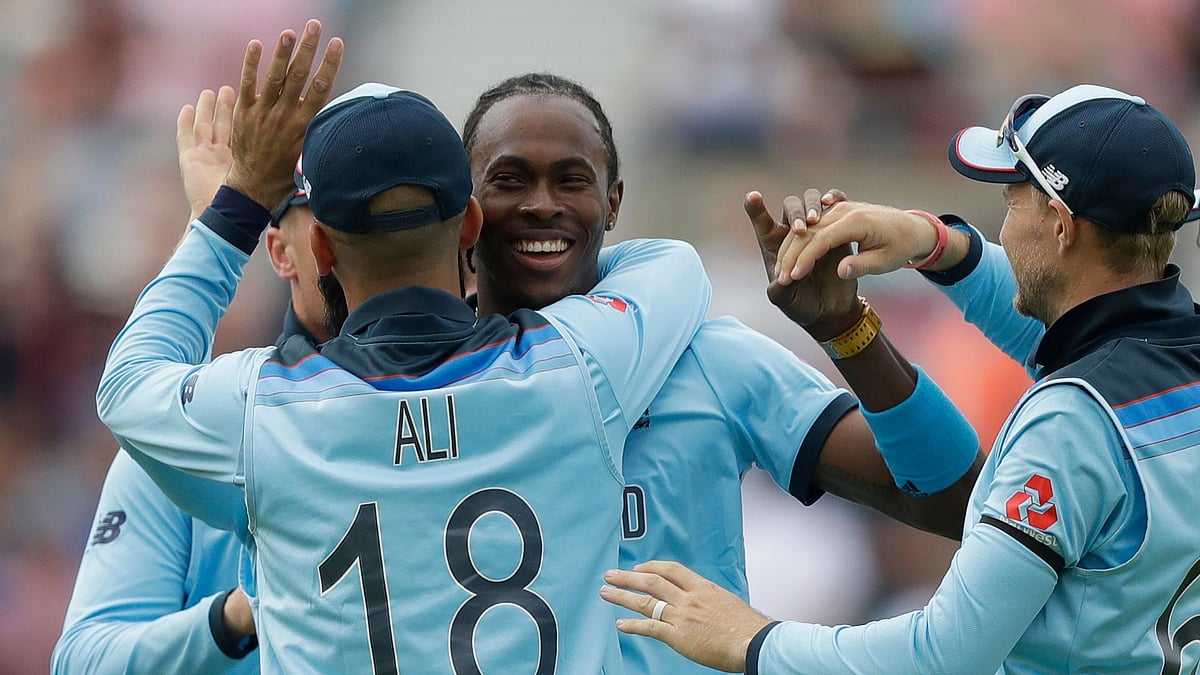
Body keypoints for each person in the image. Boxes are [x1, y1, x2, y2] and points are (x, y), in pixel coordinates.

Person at [95, 21, 712, 675]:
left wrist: (234, 204)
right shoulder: (580, 365)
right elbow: (673, 266)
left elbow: (128, 383)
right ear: (472, 221)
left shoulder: (261, 408)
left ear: (322, 248)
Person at [602, 83, 1200, 673]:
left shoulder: (1069, 422)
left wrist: (752, 640)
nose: (1003, 228)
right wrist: (928, 241)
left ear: (1061, 226)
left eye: (1013, 202)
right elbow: (1063, 337)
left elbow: (946, 656)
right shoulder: (1174, 356)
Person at [462, 72, 984, 672]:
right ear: (466, 206)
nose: (542, 205)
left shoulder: (709, 359)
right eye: (509, 180)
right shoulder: (417, 380)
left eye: (572, 180)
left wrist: (846, 332)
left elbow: (950, 500)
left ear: (613, 202)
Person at [51, 85, 333, 674]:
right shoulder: (186, 438)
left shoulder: (484, 402)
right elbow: (83, 663)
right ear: (280, 250)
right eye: (330, 219)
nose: (349, 243)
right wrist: (239, 615)